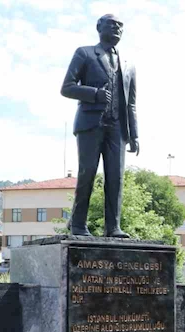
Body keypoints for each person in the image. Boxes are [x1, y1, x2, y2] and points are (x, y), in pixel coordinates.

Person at [61, 14, 139, 238]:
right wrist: (94, 94)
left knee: (116, 177)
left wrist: (134, 134)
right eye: (112, 24)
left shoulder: (129, 64)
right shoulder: (84, 53)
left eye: (120, 26)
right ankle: (77, 224)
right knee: (88, 173)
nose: (117, 28)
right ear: (99, 27)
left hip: (117, 128)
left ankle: (113, 227)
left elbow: (131, 102)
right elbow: (67, 87)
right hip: (90, 123)